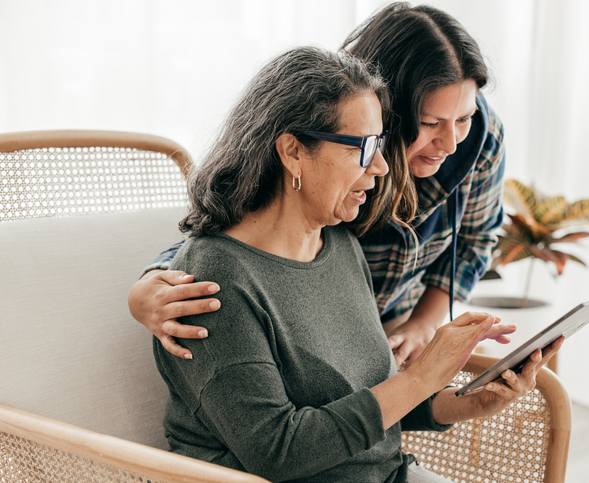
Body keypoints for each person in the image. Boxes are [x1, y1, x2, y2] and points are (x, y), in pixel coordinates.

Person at [154, 44, 561, 483]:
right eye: (364, 148)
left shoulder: (340, 244)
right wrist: (421, 376)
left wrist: (464, 402)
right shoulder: (214, 282)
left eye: (381, 146)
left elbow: (367, 402)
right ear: (292, 151)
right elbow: (277, 451)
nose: (383, 167)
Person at [129, 2, 507, 369]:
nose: (451, 143)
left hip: (393, 328)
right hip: (314, 337)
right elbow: (244, 228)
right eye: (428, 122)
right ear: (382, 110)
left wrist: (424, 324)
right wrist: (149, 287)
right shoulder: (336, 147)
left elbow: (477, 237)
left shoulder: (482, 136)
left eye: (464, 118)